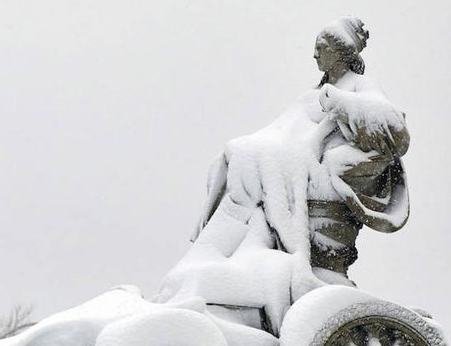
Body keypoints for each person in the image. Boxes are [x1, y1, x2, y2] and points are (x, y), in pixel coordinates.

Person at [173, 17, 410, 316]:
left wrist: (340, 103)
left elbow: (395, 130)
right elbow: (281, 133)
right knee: (240, 155)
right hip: (297, 164)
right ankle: (222, 256)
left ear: (340, 52)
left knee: (259, 164)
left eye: (320, 47)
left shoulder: (358, 86)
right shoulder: (312, 92)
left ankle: (244, 255)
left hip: (320, 173)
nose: (314, 54)